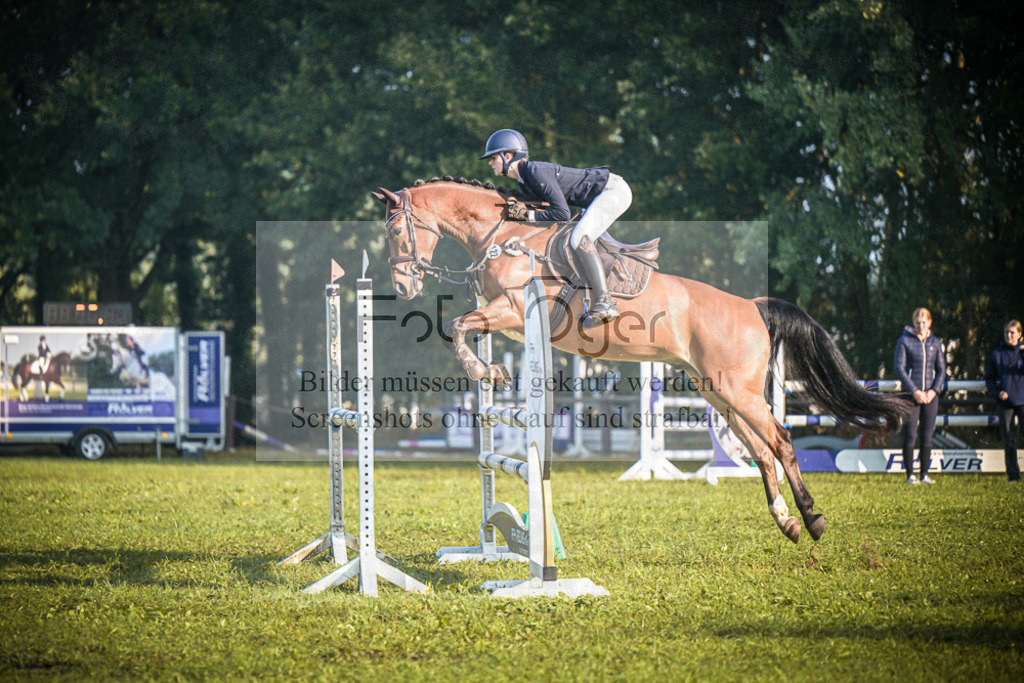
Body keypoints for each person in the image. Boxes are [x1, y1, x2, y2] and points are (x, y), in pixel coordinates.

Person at [481, 128, 632, 328]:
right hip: (599, 195)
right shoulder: (525, 178)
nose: (490, 163)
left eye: (493, 158)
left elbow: (562, 214)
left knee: (579, 238)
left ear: (507, 156)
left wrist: (527, 215)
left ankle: (606, 302)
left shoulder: (533, 171)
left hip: (613, 192)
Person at [893, 307, 946, 484]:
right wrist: (914, 391)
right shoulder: (904, 341)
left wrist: (932, 391)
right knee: (910, 435)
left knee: (927, 436)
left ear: (929, 322)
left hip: (930, 397)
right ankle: (910, 475)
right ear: (913, 323)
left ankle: (924, 474)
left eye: (924, 322)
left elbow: (941, 370)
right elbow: (899, 368)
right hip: (910, 396)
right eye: (918, 322)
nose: (921, 326)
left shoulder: (935, 343)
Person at [984, 320, 1024, 482]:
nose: (1009, 335)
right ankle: (1013, 476)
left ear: (1020, 334)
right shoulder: (997, 354)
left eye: (1012, 332)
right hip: (1005, 402)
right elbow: (989, 379)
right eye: (1006, 332)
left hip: (1023, 401)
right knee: (1008, 439)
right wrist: (997, 392)